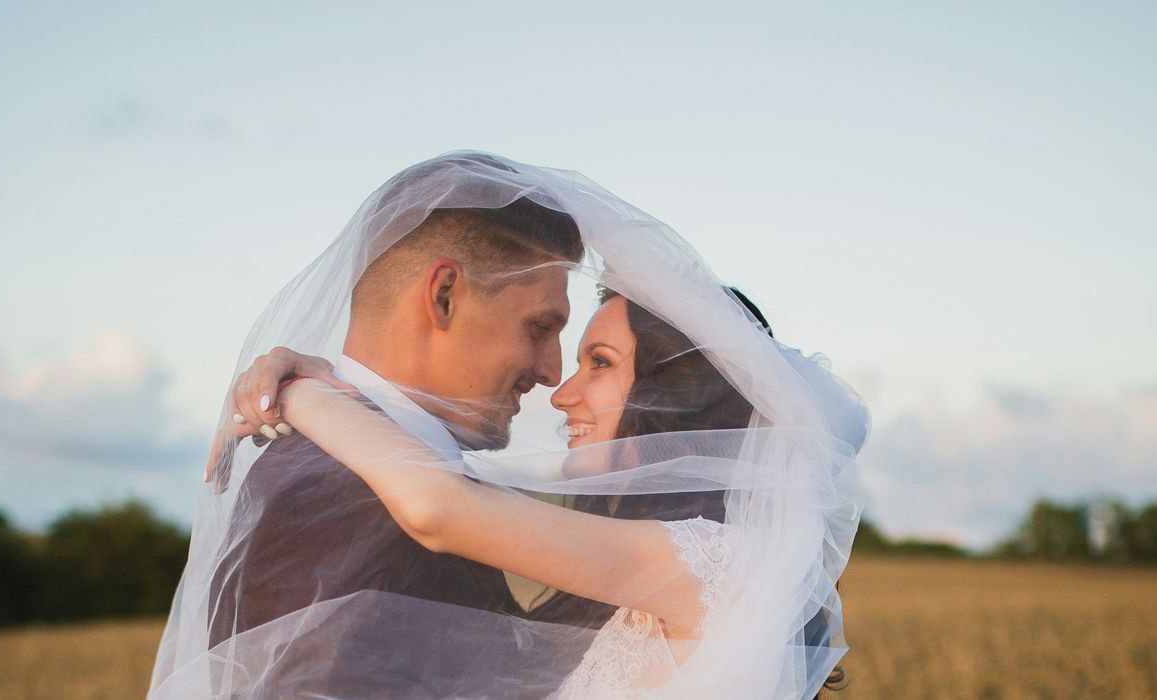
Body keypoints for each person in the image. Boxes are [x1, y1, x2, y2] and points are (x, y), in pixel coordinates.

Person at [149, 151, 865, 699]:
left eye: (596, 360)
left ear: (676, 394)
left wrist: (302, 391)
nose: (556, 381)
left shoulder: (708, 565)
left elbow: (438, 511)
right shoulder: (323, 488)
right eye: (543, 328)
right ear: (444, 294)